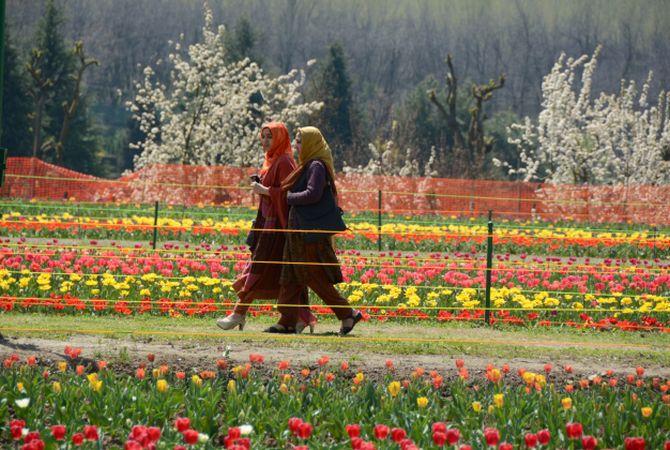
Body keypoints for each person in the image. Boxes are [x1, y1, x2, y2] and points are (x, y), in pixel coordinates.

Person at [216, 122, 316, 332]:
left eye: (270, 136)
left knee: (258, 270)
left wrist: (264, 190)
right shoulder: (270, 161)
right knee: (284, 275)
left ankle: (238, 313)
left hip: (278, 229)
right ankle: (301, 317)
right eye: (262, 136)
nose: (265, 141)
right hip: (267, 224)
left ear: (280, 138)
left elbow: (287, 196)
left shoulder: (285, 161)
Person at [266, 126, 362, 335]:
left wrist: (289, 197)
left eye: (300, 141)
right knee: (291, 275)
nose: (297, 146)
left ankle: (348, 313)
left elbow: (314, 193)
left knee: (312, 276)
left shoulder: (316, 166)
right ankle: (287, 320)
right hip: (298, 233)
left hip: (307, 234)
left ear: (311, 143)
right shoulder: (307, 165)